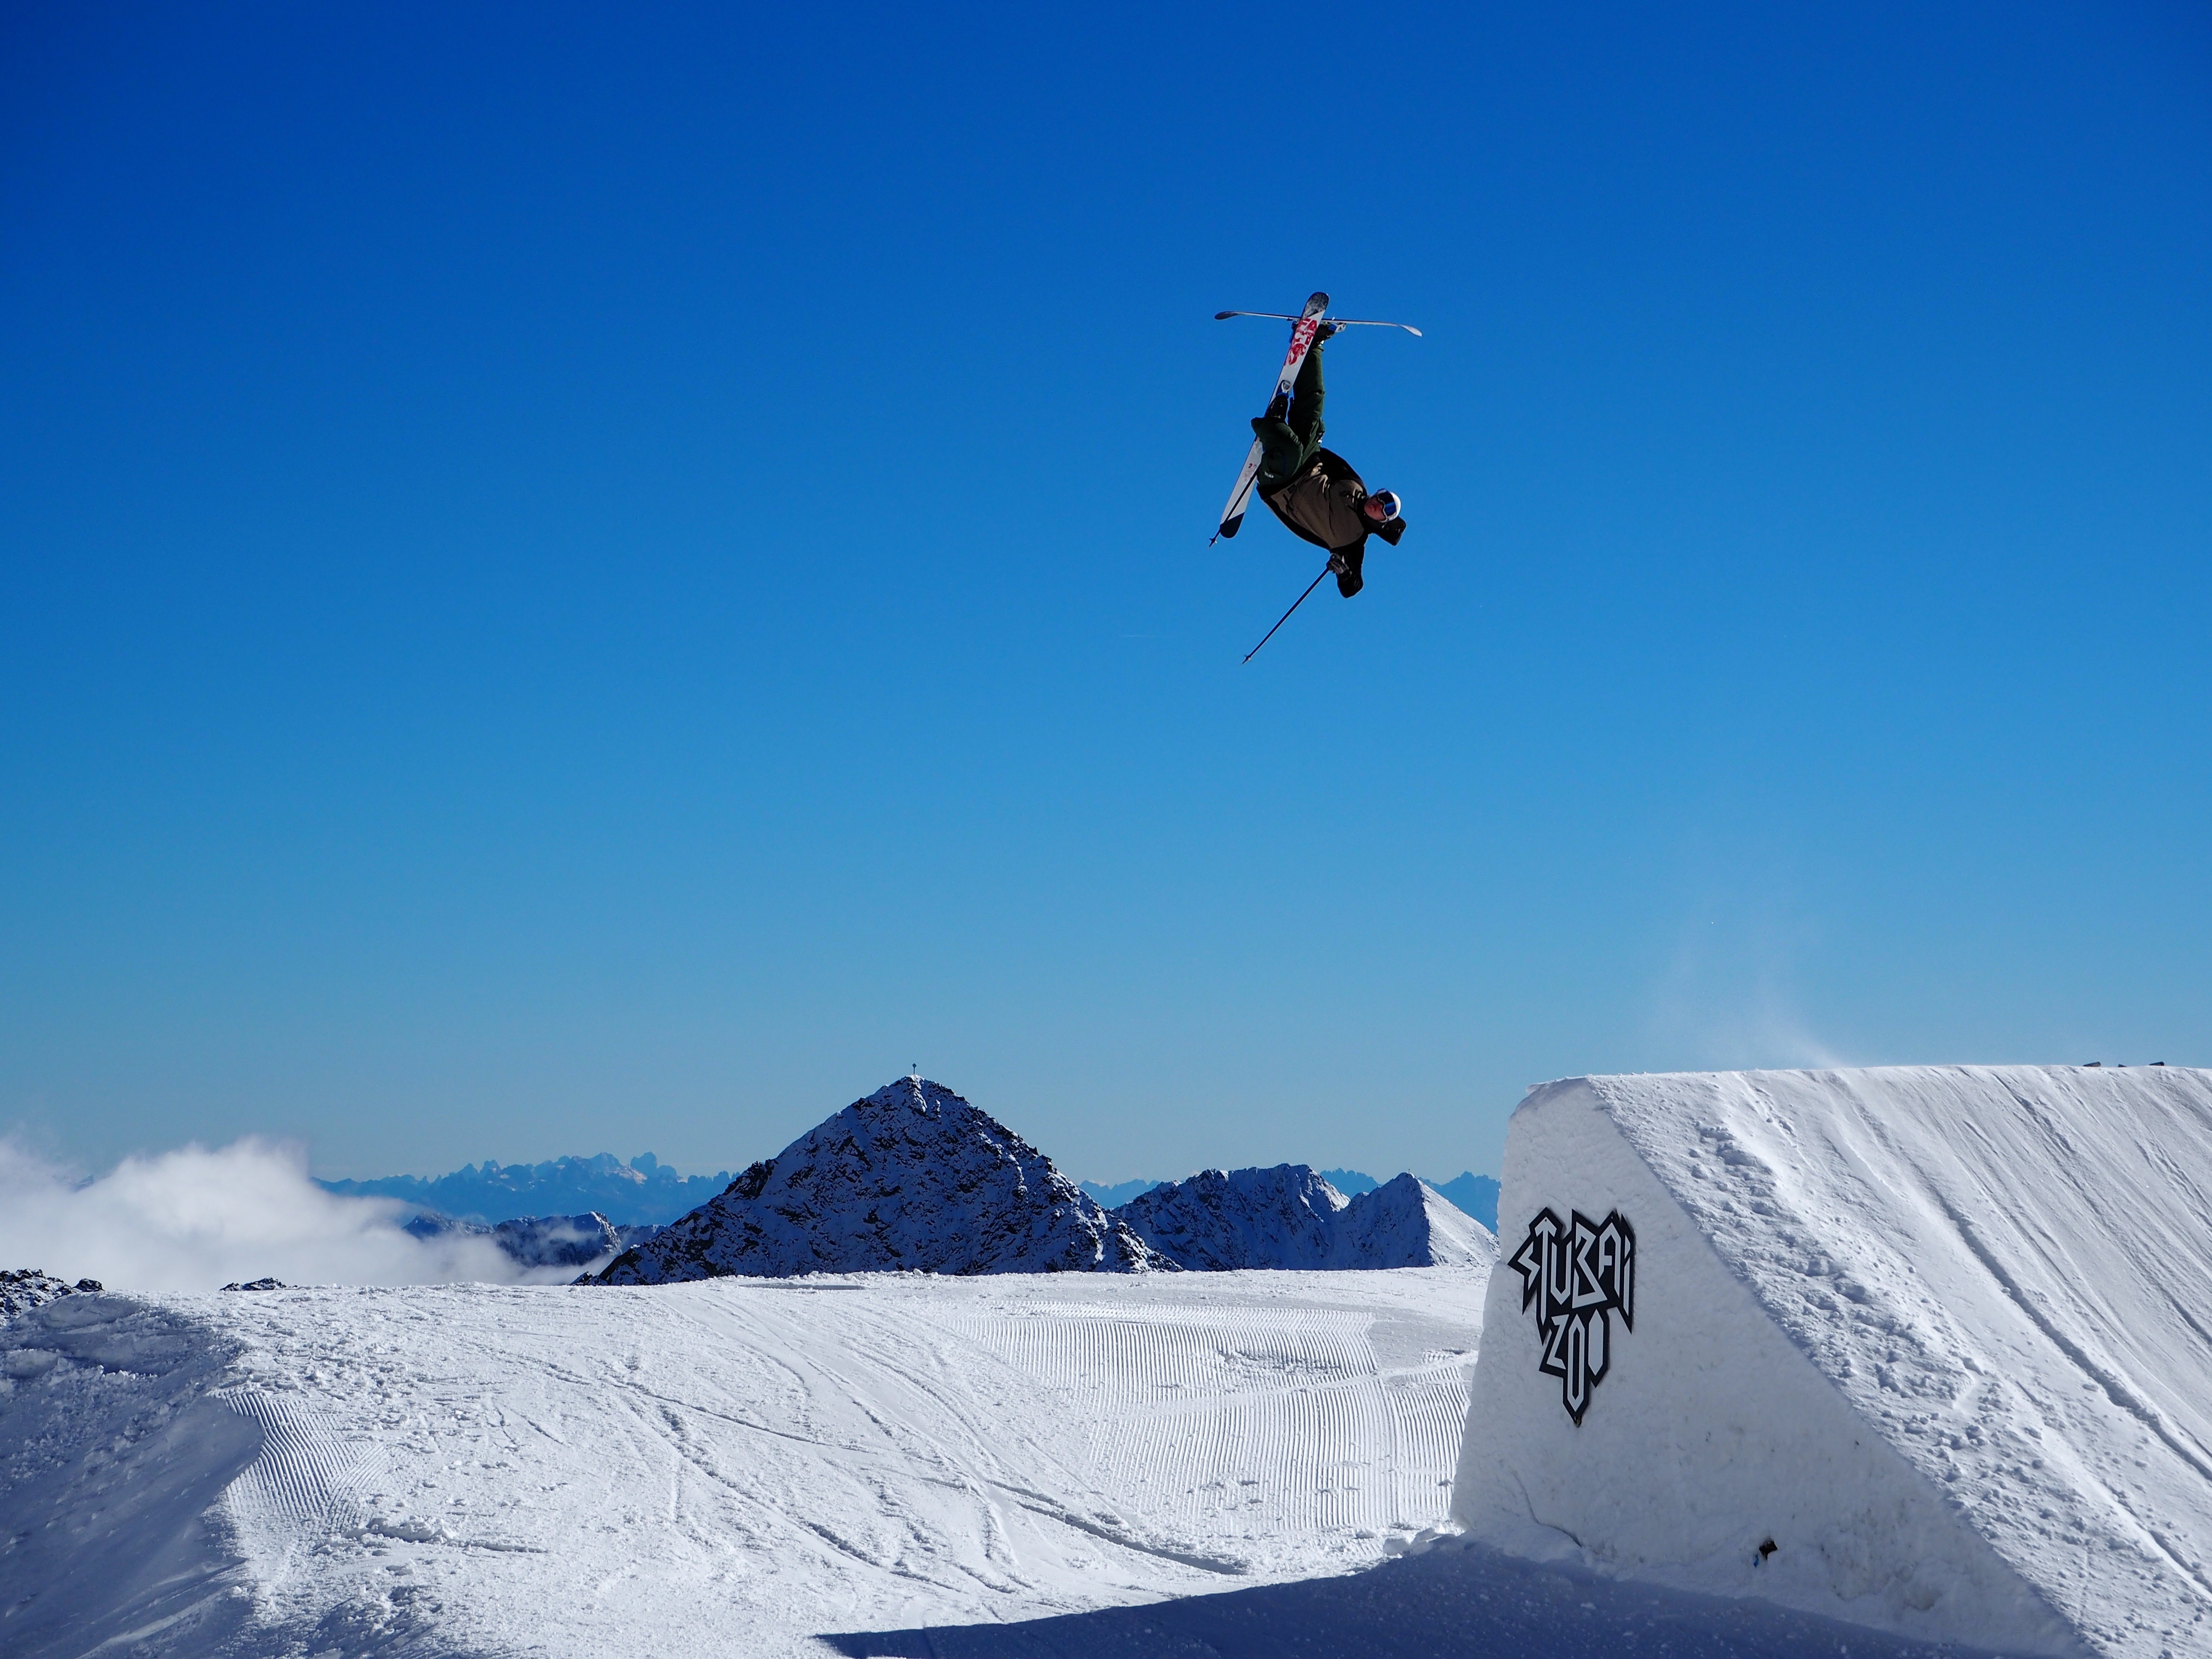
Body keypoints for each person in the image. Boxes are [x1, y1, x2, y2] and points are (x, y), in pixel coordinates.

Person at [1250, 325, 1405, 596]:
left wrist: (1344, 573)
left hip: (1280, 486)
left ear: (1382, 521)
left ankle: (1271, 425)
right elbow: (1325, 455)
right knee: (1314, 408)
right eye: (1382, 496)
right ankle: (1312, 344)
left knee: (1289, 451)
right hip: (1308, 462)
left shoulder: (1353, 542)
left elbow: (1353, 587)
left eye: (1384, 508)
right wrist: (1314, 433)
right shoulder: (1354, 485)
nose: (1378, 503)